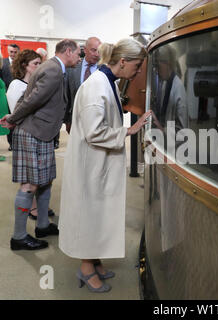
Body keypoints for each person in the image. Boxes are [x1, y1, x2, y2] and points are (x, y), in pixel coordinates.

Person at [58, 38, 151, 293]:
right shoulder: (96, 87)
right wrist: (129, 130)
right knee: (90, 214)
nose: (139, 70)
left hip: (98, 163)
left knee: (97, 213)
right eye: (138, 65)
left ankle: (95, 260)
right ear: (123, 62)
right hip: (90, 166)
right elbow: (94, 132)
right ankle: (86, 269)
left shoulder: (107, 81)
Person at [0, 39, 81, 251]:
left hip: (42, 133)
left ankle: (42, 225)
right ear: (69, 51)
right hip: (33, 132)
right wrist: (14, 118)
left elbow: (31, 97)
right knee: (29, 186)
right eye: (78, 54)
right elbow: (32, 100)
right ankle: (18, 237)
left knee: (45, 182)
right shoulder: (53, 69)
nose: (79, 59)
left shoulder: (54, 68)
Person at [6, 49, 55, 221]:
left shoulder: (33, 85)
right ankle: (31, 210)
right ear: (25, 66)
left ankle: (39, 216)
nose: (39, 66)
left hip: (39, 134)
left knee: (40, 179)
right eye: (36, 63)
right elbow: (17, 113)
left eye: (40, 63)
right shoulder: (17, 86)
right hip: (27, 134)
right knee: (29, 181)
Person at [63, 37, 102, 134]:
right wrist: (67, 120)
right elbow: (67, 95)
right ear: (84, 50)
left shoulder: (104, 69)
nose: (97, 54)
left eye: (99, 51)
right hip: (76, 119)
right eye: (93, 50)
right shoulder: (72, 68)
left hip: (98, 121)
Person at [0, 43, 20, 151]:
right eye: (11, 52)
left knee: (20, 119)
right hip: (7, 97)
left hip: (20, 97)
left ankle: (19, 142)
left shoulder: (22, 63)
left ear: (18, 52)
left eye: (15, 52)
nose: (13, 54)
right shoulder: (3, 63)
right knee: (10, 119)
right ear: (8, 51)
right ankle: (11, 143)